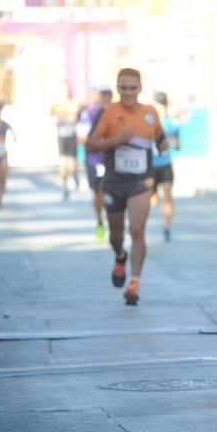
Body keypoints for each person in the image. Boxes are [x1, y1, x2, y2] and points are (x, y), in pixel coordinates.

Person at [86, 68, 167, 305]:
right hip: (113, 182)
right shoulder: (108, 112)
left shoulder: (150, 113)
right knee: (116, 236)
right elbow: (90, 145)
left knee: (138, 230)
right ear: (117, 88)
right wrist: (116, 140)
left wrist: (164, 145)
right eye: (124, 87)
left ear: (140, 89)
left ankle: (134, 283)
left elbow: (160, 138)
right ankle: (120, 255)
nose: (128, 92)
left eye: (133, 88)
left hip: (140, 182)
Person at [77, 88, 113, 243]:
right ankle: (100, 223)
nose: (105, 99)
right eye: (102, 95)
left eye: (108, 95)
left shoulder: (117, 113)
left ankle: (114, 225)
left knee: (113, 194)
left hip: (113, 162)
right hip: (95, 161)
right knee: (98, 193)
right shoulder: (90, 113)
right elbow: (81, 138)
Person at [150, 91, 181, 242]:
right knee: (154, 200)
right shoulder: (148, 122)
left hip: (165, 164)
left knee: (167, 197)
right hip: (150, 166)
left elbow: (177, 144)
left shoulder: (171, 124)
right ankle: (154, 197)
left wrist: (174, 143)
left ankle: (166, 227)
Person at [51, 83, 81, 201]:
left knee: (67, 159)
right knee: (66, 159)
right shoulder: (66, 103)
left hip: (68, 134)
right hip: (65, 134)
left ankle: (69, 182)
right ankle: (68, 183)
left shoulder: (72, 103)